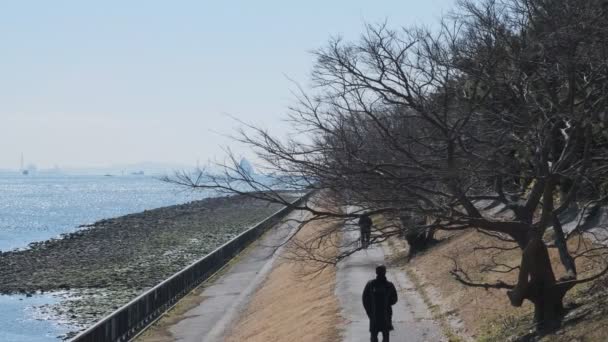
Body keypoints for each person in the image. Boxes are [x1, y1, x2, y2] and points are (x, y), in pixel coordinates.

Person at [362, 265, 398, 342]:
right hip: (384, 315)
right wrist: (387, 302)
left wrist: (369, 312)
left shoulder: (371, 284)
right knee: (384, 336)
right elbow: (394, 299)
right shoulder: (388, 285)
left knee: (374, 336)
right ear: (385, 272)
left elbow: (365, 300)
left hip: (376, 315)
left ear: (376, 272)